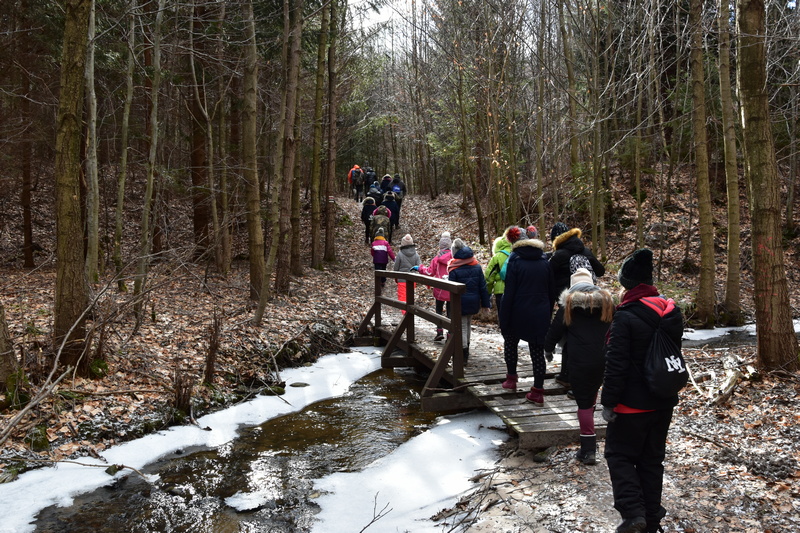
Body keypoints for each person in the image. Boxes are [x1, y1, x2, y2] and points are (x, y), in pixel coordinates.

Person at [602, 248, 683, 533]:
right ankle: (651, 520)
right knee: (651, 461)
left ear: (628, 283)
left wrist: (608, 402)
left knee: (619, 455)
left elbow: (616, 363)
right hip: (663, 399)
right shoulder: (671, 311)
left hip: (631, 404)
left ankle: (633, 513)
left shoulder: (626, 315)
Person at [543, 268, 614, 465]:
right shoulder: (608, 305)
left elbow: (554, 331)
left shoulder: (568, 306)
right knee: (591, 395)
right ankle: (599, 443)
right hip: (604, 359)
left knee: (583, 404)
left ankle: (588, 450)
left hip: (578, 361)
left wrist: (548, 350)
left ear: (572, 287)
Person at [549, 222, 606, 388]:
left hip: (567, 300)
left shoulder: (559, 255)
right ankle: (581, 374)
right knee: (586, 336)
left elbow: (547, 276)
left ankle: (567, 376)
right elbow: (601, 271)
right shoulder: (585, 251)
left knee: (568, 337)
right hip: (590, 298)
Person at [498, 237, 555, 400]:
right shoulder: (545, 262)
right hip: (540, 312)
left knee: (510, 342)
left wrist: (503, 318)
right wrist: (548, 311)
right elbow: (552, 291)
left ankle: (511, 379)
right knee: (537, 351)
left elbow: (509, 293)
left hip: (518, 311)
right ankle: (538, 391)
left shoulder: (515, 262)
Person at [447, 238, 491, 363]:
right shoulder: (476, 265)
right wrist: (486, 304)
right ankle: (466, 349)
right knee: (467, 325)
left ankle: (463, 354)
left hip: (460, 302)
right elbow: (483, 286)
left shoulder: (454, 267)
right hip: (474, 301)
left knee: (462, 326)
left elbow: (451, 288)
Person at [418, 231, 452, 342]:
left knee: (439, 310)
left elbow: (429, 272)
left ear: (440, 246)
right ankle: (450, 334)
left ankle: (439, 331)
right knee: (450, 313)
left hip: (440, 289)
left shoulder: (436, 259)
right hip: (452, 289)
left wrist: (420, 268)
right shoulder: (455, 259)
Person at [485, 226, 523, 321]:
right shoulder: (519, 254)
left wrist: (487, 294)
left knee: (503, 318)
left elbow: (489, 277)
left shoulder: (497, 257)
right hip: (517, 290)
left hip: (500, 291)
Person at [392, 234, 421, 314]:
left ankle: (405, 315)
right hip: (412, 280)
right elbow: (420, 267)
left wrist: (396, 277)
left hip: (402, 280)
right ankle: (409, 315)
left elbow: (396, 267)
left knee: (402, 298)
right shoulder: (416, 254)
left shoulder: (400, 254)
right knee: (410, 298)